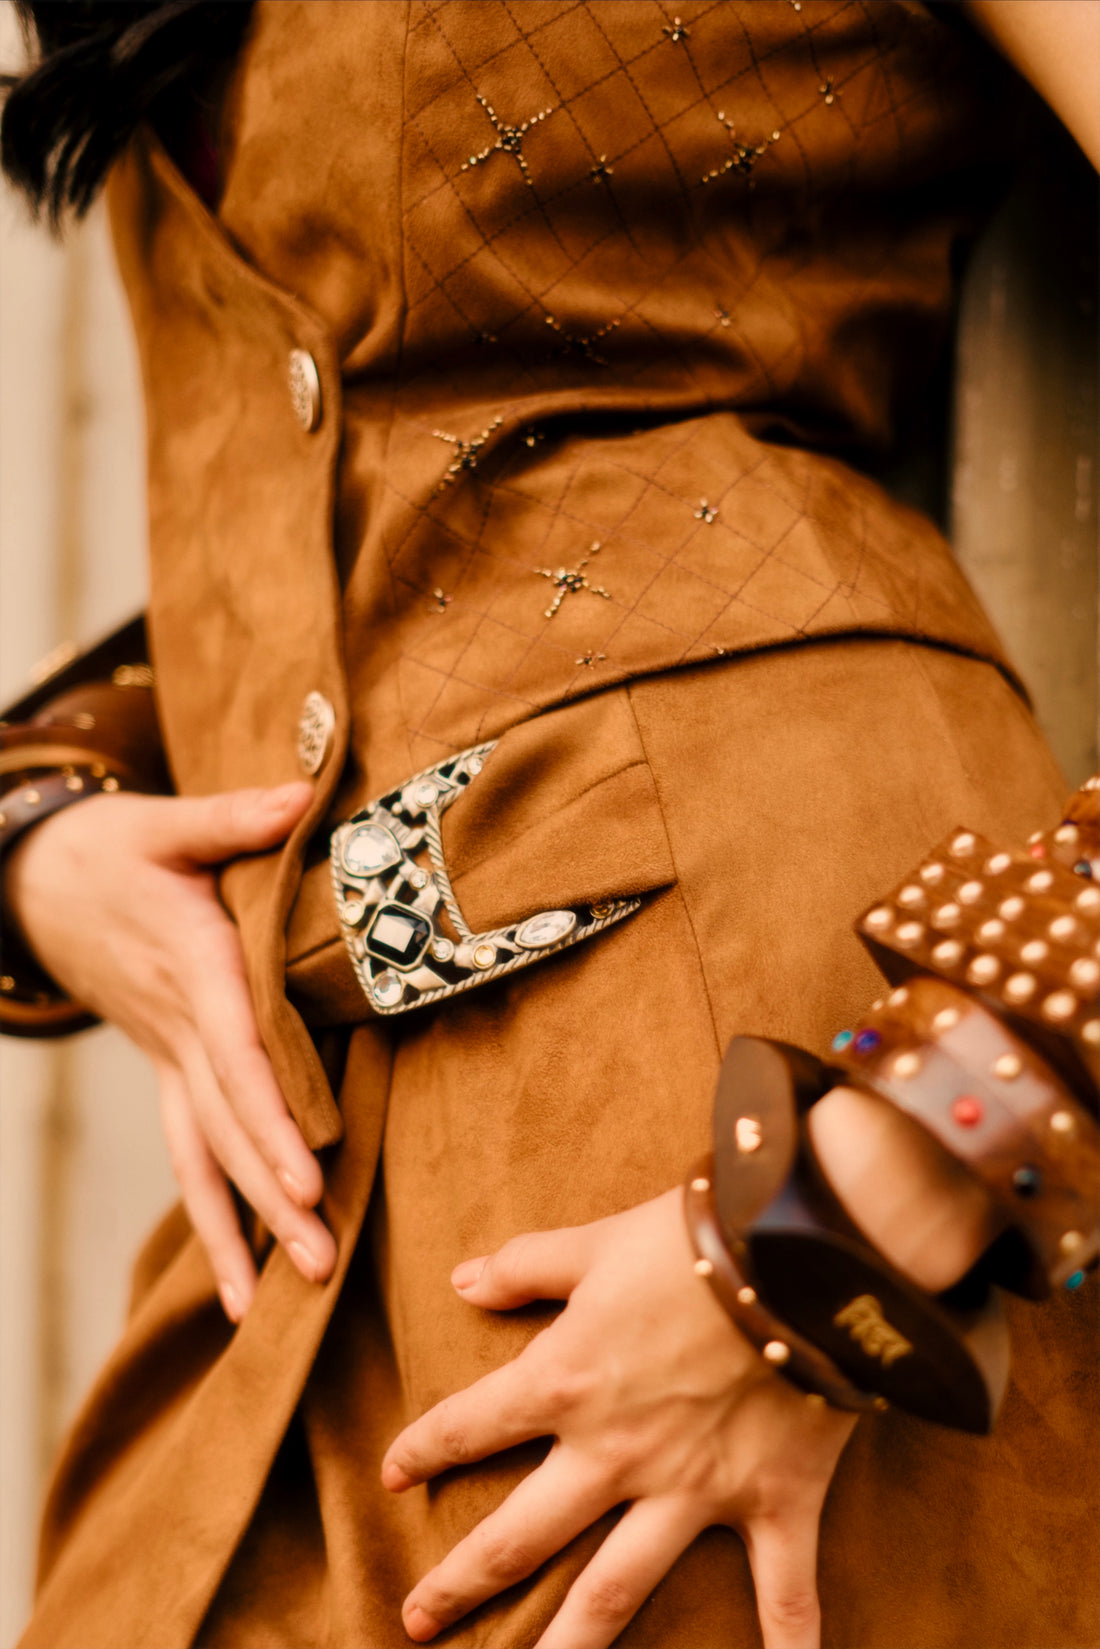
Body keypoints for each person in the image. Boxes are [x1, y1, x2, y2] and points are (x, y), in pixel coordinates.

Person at [0, 3, 1097, 1646]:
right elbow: (391, 481)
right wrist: (41, 825)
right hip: (313, 1155)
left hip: (747, 1080)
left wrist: (904, 1170)